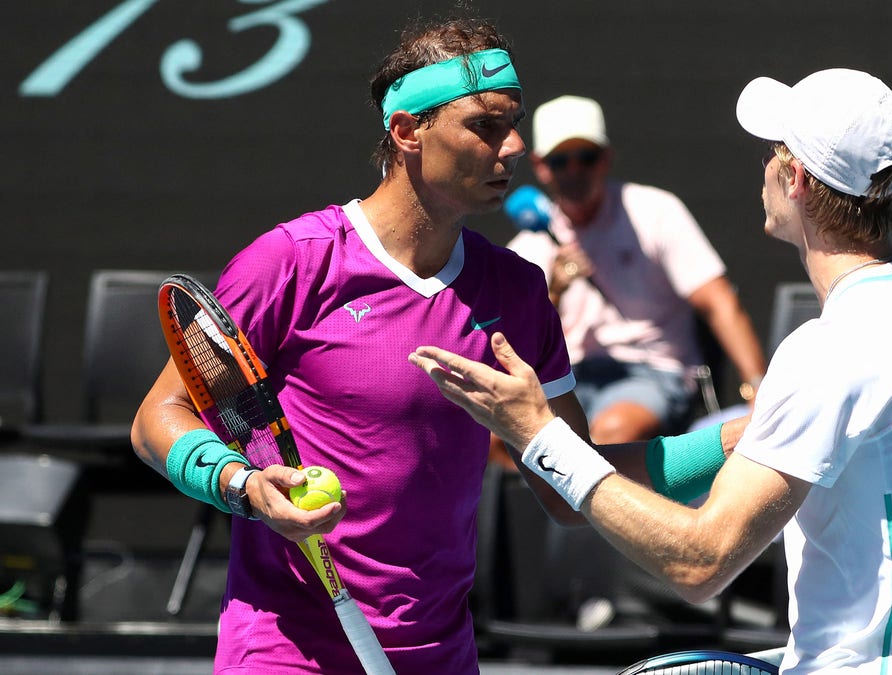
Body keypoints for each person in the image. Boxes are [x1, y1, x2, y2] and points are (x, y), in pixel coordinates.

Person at [411, 68, 892, 673]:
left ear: (794, 177)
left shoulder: (829, 351)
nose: (765, 167)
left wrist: (538, 435)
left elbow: (700, 563)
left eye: (773, 152)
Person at [130, 16, 600, 674]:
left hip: (441, 654)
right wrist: (240, 483)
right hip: (286, 649)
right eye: (486, 125)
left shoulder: (519, 292)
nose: (516, 145)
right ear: (409, 131)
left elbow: (572, 486)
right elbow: (158, 418)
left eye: (514, 121)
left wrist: (733, 446)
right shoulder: (291, 263)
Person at [505, 94, 767, 444]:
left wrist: (759, 391)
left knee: (611, 432)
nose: (574, 171)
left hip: (655, 372)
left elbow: (719, 302)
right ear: (540, 165)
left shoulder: (655, 211)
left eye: (586, 158)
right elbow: (519, 345)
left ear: (606, 159)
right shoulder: (530, 244)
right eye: (560, 161)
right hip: (570, 378)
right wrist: (554, 290)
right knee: (493, 436)